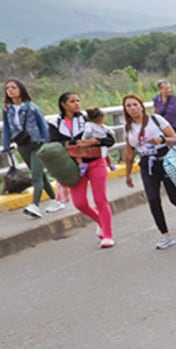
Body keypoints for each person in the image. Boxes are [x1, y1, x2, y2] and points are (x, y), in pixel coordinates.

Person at [121, 93, 176, 250]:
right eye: (128, 106)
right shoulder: (128, 128)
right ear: (125, 110)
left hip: (165, 160)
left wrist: (162, 140)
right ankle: (165, 235)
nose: (132, 109)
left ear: (141, 106)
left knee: (175, 198)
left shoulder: (156, 120)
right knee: (153, 199)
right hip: (147, 164)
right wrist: (127, 175)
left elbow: (175, 139)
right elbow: (129, 153)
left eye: (135, 105)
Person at [52, 91, 113, 247]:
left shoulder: (89, 119)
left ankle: (108, 234)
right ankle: (100, 220)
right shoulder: (55, 123)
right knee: (79, 203)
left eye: (78, 100)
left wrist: (94, 141)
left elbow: (109, 139)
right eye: (72, 101)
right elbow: (52, 144)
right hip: (74, 166)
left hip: (95, 162)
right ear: (63, 104)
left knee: (100, 199)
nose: (77, 104)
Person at [3, 78, 65, 219]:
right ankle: (55, 201)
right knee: (40, 175)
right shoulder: (7, 109)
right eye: (7, 88)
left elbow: (43, 125)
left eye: (13, 87)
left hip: (37, 144)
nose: (10, 90)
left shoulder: (31, 107)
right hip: (22, 145)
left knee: (36, 176)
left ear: (21, 89)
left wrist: (47, 143)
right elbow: (6, 127)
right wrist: (6, 145)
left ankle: (35, 205)